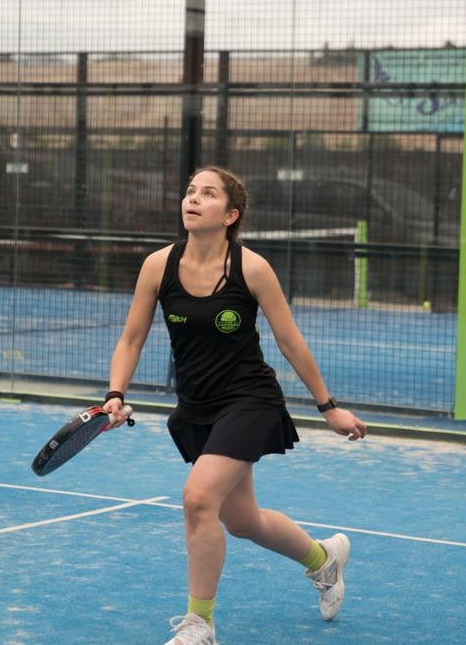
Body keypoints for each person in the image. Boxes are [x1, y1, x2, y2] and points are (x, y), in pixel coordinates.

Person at [103, 166, 368, 644]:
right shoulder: (158, 266)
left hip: (250, 400)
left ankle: (199, 624)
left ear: (230, 215)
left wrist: (328, 407)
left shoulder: (252, 268)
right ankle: (323, 559)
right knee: (243, 521)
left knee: (198, 498)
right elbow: (132, 338)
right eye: (190, 191)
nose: (193, 199)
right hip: (196, 407)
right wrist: (115, 394)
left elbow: (290, 341)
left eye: (207, 194)